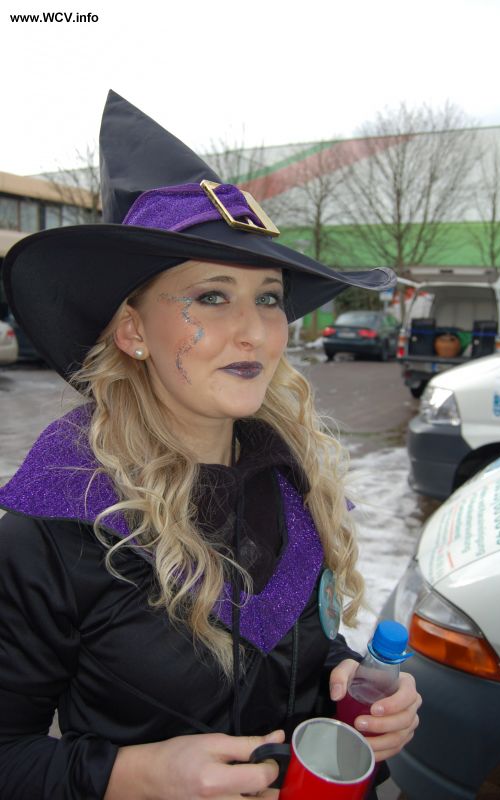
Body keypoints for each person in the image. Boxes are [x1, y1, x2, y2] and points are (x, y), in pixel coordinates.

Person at [0, 91, 420, 800]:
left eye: (269, 297)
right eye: (213, 297)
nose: (255, 332)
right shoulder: (54, 525)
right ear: (133, 332)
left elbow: (289, 650)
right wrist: (133, 775)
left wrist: (350, 684)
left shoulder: (295, 484)